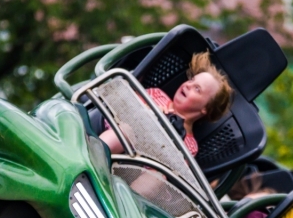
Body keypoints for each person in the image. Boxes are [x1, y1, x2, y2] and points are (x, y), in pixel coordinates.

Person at [99, 51, 232, 156]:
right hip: (118, 133)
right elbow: (124, 105)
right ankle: (95, 152)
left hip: (137, 164)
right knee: (127, 130)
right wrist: (151, 112)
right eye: (191, 80)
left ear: (206, 108)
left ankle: (128, 191)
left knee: (158, 177)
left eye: (197, 89)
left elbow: (175, 169)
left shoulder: (189, 145)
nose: (188, 85)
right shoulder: (157, 95)